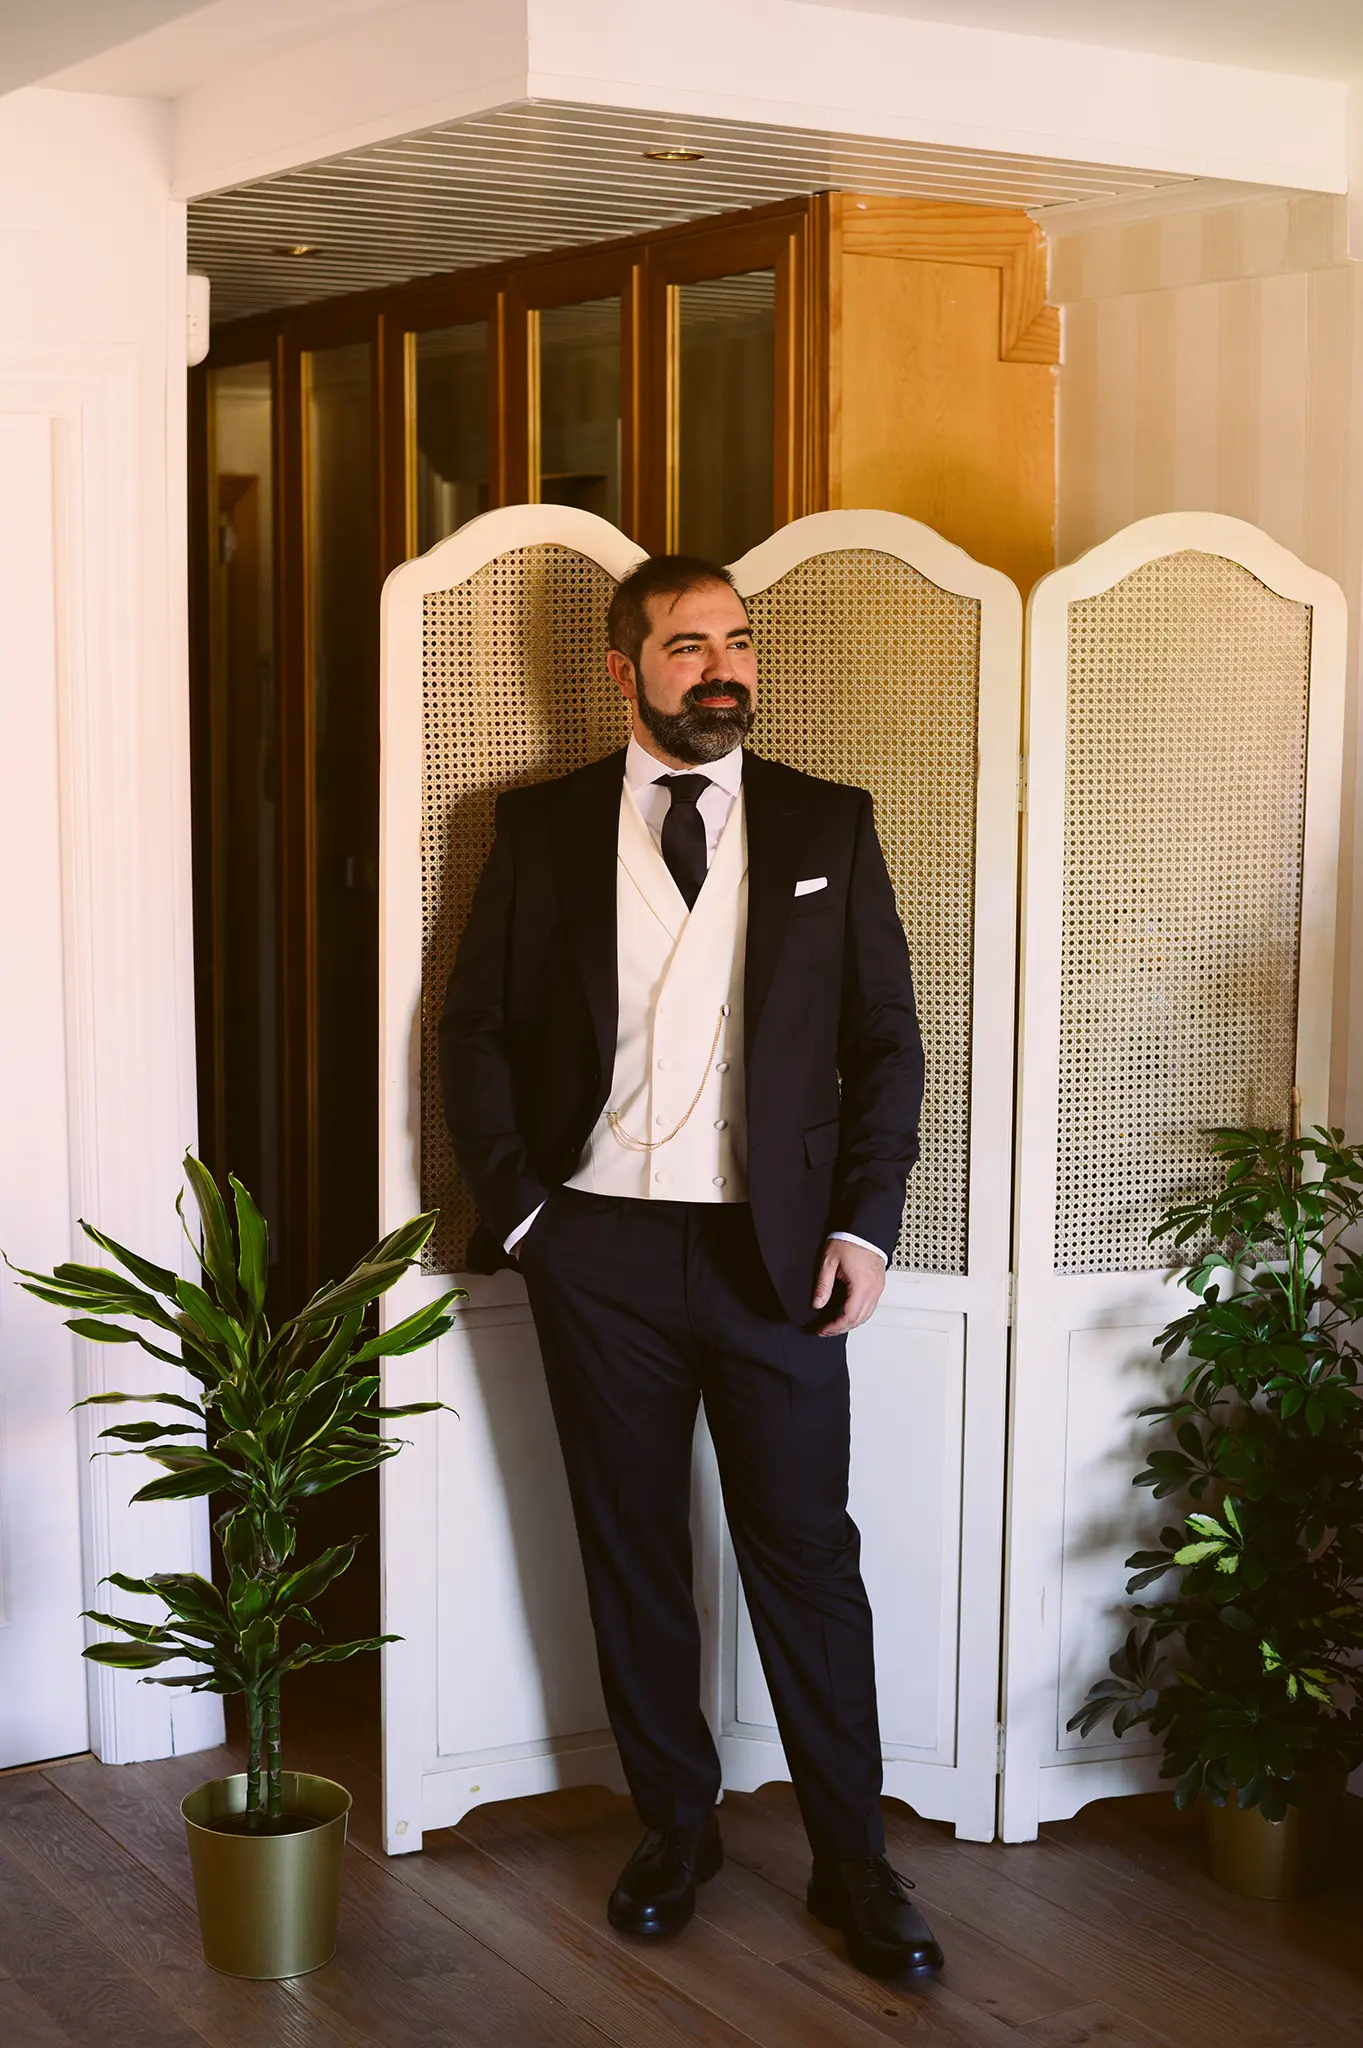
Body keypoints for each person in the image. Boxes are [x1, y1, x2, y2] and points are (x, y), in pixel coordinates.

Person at [440, 554, 940, 1981]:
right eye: (686, 646)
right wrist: (526, 1219)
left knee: (805, 1553)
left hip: (773, 1257)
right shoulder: (540, 827)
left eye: (736, 641)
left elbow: (884, 1041)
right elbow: (473, 1029)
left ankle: (853, 1861)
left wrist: (865, 1224)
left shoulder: (827, 821)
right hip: (595, 1248)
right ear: (625, 670)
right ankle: (675, 1827)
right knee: (633, 1545)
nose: (721, 668)